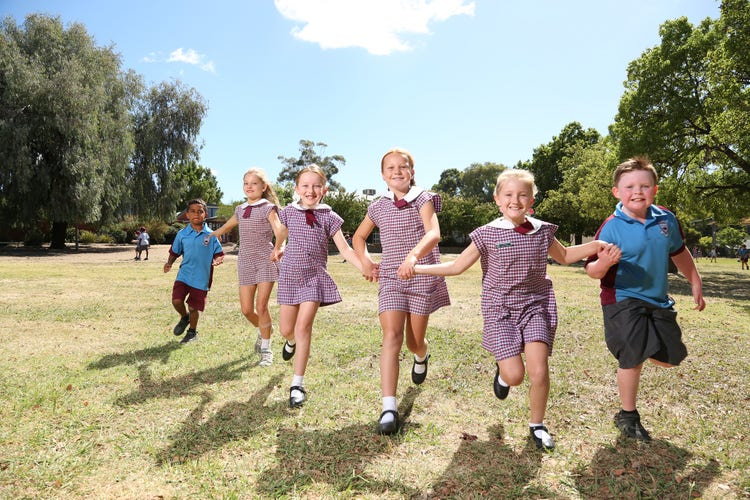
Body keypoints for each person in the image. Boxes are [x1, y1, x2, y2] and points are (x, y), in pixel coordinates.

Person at [411, 168, 615, 450]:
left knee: (539, 371)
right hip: (500, 310)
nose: (515, 200)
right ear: (497, 199)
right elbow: (456, 266)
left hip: (536, 306)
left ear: (531, 200)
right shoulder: (486, 234)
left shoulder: (542, 231)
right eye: (508, 194)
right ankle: (503, 371)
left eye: (522, 195)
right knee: (515, 376)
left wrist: (597, 245)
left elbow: (565, 255)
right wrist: (418, 268)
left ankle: (537, 425)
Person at [585, 156, 705, 442]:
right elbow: (591, 268)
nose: (637, 192)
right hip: (622, 297)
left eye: (644, 186)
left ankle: (640, 347)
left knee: (671, 358)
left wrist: (695, 280)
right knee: (633, 354)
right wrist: (604, 263)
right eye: (629, 187)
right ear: (617, 192)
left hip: (657, 300)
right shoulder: (611, 226)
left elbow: (678, 252)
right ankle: (628, 416)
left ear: (655, 189)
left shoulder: (666, 219)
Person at [352, 148, 450, 436]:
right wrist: (366, 261)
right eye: (391, 168)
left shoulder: (423, 198)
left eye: (403, 167)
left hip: (420, 274)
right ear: (383, 175)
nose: (397, 171)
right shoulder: (378, 206)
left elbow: (434, 233)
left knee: (413, 341)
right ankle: (388, 407)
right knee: (391, 336)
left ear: (412, 172)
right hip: (392, 279)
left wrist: (414, 257)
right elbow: (358, 237)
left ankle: (422, 355)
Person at [275, 165, 363, 408]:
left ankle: (297, 384)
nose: (310, 190)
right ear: (296, 189)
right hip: (290, 277)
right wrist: (278, 247)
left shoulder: (329, 217)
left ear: (324, 190)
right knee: (286, 329)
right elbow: (281, 232)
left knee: (303, 327)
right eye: (305, 185)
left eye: (315, 186)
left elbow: (345, 249)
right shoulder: (289, 212)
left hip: (314, 277)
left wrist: (364, 266)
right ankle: (290, 341)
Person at [210, 168, 286, 366]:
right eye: (246, 183)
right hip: (245, 261)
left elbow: (280, 231)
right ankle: (264, 330)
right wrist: (212, 234)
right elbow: (227, 226)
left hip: (265, 261)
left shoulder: (268, 208)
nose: (249, 186)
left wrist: (278, 248)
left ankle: (266, 349)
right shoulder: (240, 209)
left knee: (261, 306)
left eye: (254, 183)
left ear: (263, 187)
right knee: (246, 309)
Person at [164, 199, 225, 344]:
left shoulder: (212, 235)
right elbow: (175, 251)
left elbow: (219, 253)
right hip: (184, 275)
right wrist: (169, 263)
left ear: (205, 214)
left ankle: (192, 332)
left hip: (201, 277)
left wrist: (218, 259)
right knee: (177, 300)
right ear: (187, 215)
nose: (196, 214)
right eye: (192, 211)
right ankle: (184, 317)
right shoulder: (182, 234)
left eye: (200, 211)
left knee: (193, 307)